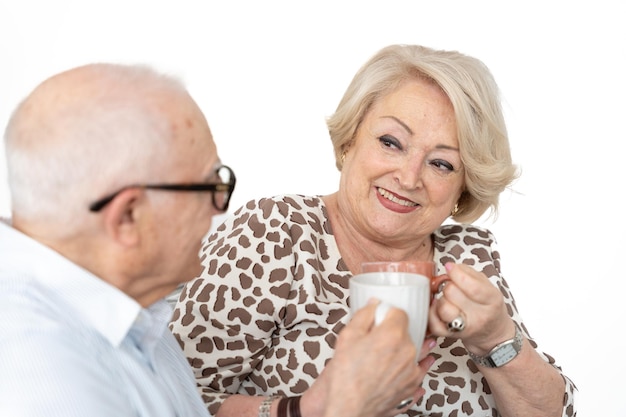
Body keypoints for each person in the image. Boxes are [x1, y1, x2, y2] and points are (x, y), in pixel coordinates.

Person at [170, 44, 577, 417]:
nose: (408, 176)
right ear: (349, 141)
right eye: (391, 142)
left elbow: (551, 413)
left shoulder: (467, 258)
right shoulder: (276, 233)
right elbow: (170, 398)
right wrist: (310, 410)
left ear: (462, 188)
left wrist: (496, 339)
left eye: (441, 163)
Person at [0, 63, 426, 417]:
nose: (219, 207)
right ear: (128, 217)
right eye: (208, 185)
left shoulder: (135, 318)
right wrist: (345, 408)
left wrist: (319, 404)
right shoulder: (35, 365)